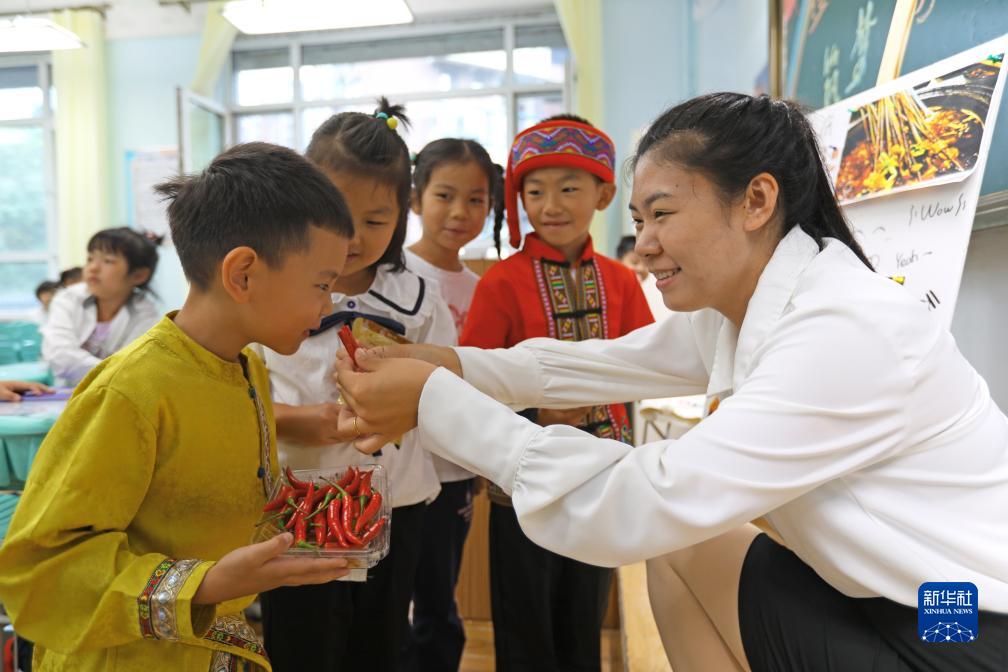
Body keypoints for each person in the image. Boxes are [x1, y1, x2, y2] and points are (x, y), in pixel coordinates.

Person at [334, 93, 1008, 672]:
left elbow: (641, 501)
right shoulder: (759, 301)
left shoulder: (842, 331)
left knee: (672, 532)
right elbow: (596, 362)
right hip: (906, 595)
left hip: (958, 624)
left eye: (662, 214)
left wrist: (434, 401)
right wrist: (454, 367)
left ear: (757, 201)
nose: (645, 243)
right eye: (638, 221)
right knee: (679, 546)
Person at [0, 142, 354, 671]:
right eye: (322, 285)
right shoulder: (130, 390)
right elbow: (43, 569)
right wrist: (204, 584)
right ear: (243, 274)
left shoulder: (247, 367)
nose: (328, 306)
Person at [256, 99, 455, 672]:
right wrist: (302, 421)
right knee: (302, 645)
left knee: (380, 643)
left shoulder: (419, 299)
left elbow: (448, 391)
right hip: (299, 501)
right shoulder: (268, 289)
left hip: (396, 501)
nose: (354, 237)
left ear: (402, 215)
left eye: (375, 221)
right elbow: (234, 398)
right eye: (339, 214)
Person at [456, 114, 653, 671]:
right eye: (535, 191)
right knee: (523, 622)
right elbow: (471, 381)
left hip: (603, 477)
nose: (550, 206)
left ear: (603, 194)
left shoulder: (621, 281)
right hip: (523, 479)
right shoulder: (500, 282)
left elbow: (650, 366)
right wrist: (534, 409)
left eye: (569, 188)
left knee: (583, 617)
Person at [401, 137, 502, 671]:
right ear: (415, 198)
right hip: (397, 465)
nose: (460, 212)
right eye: (445, 195)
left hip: (453, 468)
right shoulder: (393, 276)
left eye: (476, 199)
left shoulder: (482, 286)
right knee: (389, 601)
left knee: (439, 598)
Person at [41, 228, 160, 386]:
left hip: (118, 394)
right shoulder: (68, 299)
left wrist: (116, 374)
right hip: (70, 393)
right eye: (90, 259)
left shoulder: (145, 314)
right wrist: (115, 373)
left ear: (139, 275)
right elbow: (60, 356)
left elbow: (135, 366)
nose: (93, 268)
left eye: (107, 261)